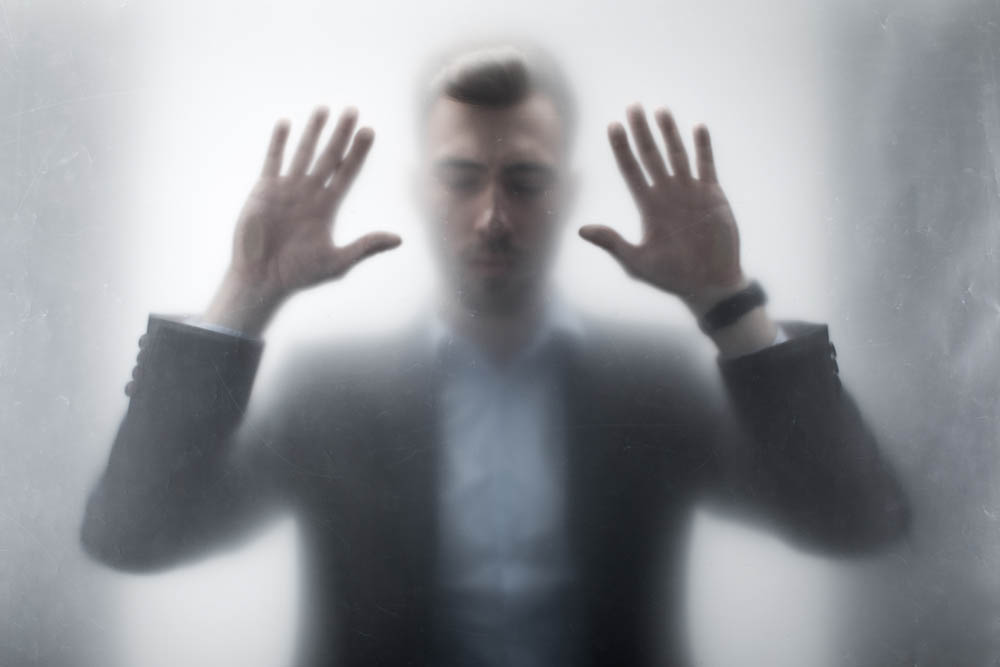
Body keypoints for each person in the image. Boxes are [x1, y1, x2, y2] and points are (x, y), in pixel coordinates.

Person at [80, 41, 910, 666]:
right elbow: (133, 537)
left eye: (526, 179)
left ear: (571, 193)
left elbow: (858, 525)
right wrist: (245, 297)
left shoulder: (652, 390)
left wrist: (731, 305)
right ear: (417, 188)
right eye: (460, 175)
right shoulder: (330, 397)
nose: (491, 215)